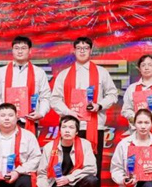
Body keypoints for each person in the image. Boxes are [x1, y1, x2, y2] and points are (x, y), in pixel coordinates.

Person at [49, 37, 118, 176]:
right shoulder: (64, 74)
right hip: (70, 126)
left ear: (90, 50)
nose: (82, 51)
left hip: (95, 125)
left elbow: (113, 94)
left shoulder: (101, 72)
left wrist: (99, 105)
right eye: (79, 48)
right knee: (69, 162)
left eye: (85, 48)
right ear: (74, 51)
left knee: (93, 163)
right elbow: (54, 99)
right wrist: (68, 112)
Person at [36, 115, 101, 187]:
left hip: (77, 185)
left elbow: (91, 169)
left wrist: (69, 178)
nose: (67, 130)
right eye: (64, 127)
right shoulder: (49, 147)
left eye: (71, 127)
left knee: (92, 180)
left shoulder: (85, 145)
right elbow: (41, 174)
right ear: (59, 130)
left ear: (76, 132)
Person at [0, 36, 51, 134]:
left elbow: (46, 96)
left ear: (30, 51)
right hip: (7, 121)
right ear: (12, 50)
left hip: (30, 120)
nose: (20, 51)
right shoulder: (1, 72)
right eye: (16, 48)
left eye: (23, 48)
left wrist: (41, 113)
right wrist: (4, 110)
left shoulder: (39, 72)